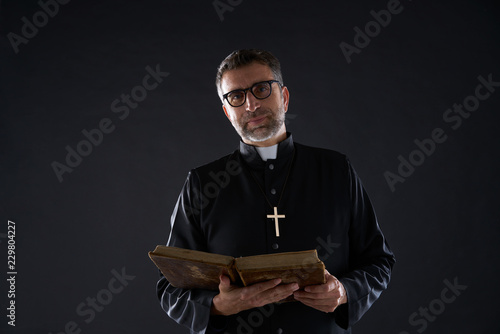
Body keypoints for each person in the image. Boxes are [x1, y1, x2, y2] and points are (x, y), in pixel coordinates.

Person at [156, 49, 395, 334]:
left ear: (284, 96)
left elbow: (378, 261)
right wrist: (219, 305)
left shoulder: (336, 170)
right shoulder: (201, 183)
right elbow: (170, 288)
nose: (251, 105)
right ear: (227, 111)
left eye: (260, 89)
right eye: (237, 96)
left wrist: (344, 292)